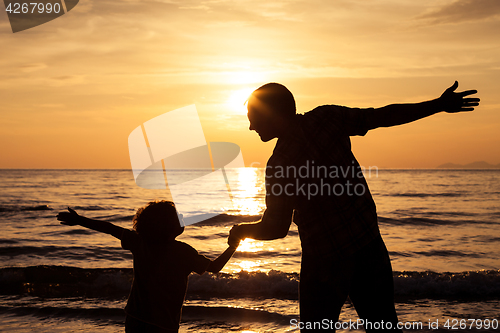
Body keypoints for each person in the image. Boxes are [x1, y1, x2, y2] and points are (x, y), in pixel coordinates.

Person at [230, 81, 479, 332]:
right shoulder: (327, 118)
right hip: (367, 247)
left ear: (272, 114)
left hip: (324, 262)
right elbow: (383, 116)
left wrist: (242, 231)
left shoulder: (280, 164)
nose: (251, 126)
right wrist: (438, 105)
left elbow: (276, 228)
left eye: (253, 118)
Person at [57, 200, 240, 333]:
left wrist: (80, 220)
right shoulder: (184, 252)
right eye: (178, 216)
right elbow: (215, 267)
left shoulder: (140, 242)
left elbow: (110, 228)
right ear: (168, 226)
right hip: (164, 324)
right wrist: (233, 246)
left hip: (135, 318)